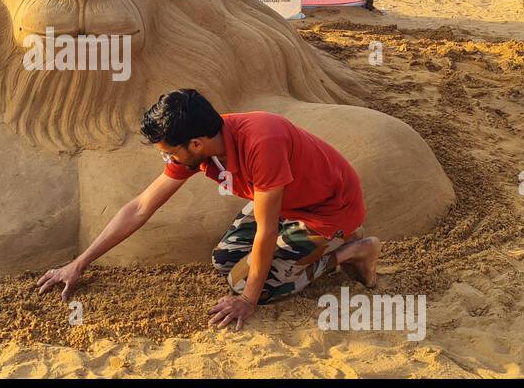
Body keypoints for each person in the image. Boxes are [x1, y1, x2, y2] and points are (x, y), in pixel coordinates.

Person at [37, 89, 379, 331]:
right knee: (225, 260)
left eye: (169, 153)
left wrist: (247, 299)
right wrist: (79, 263)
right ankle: (315, 252)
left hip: (328, 210)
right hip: (284, 201)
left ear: (195, 144)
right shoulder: (202, 146)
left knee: (263, 290)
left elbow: (266, 230)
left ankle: (351, 250)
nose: (168, 160)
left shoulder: (263, 141)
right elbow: (142, 206)